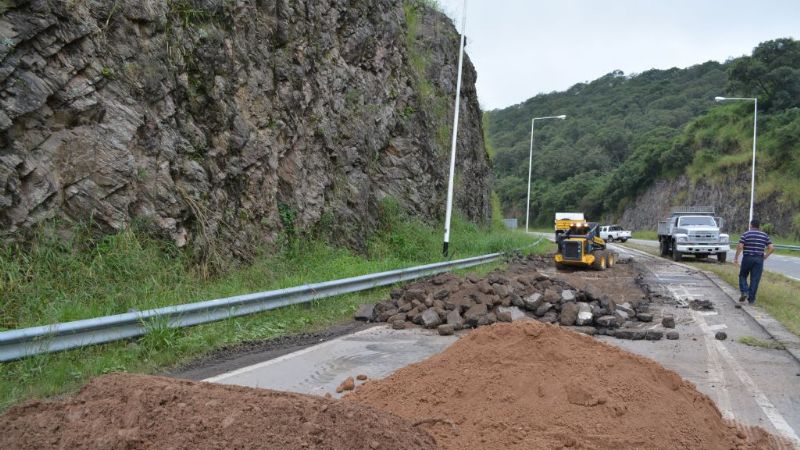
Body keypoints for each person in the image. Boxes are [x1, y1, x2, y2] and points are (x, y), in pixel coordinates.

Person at [734, 219, 774, 304]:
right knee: (755, 279)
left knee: (743, 275)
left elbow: (740, 246)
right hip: (759, 259)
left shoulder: (746, 234)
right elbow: (771, 248)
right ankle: (751, 299)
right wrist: (765, 256)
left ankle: (744, 291)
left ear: (751, 225)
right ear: (759, 226)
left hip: (747, 258)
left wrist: (736, 258)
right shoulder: (764, 235)